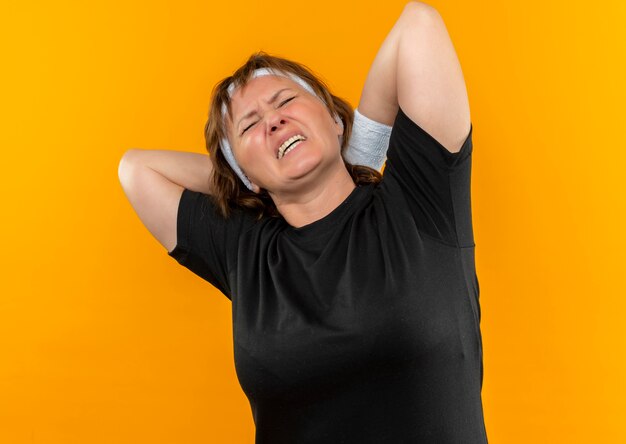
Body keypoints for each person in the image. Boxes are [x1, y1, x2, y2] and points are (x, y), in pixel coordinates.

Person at [118, 1, 487, 442]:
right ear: (243, 174)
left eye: (286, 100)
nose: (273, 120)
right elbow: (136, 170)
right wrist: (246, 181)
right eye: (250, 126)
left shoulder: (420, 202)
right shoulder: (246, 250)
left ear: (335, 119)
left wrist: (359, 154)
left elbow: (419, 24)